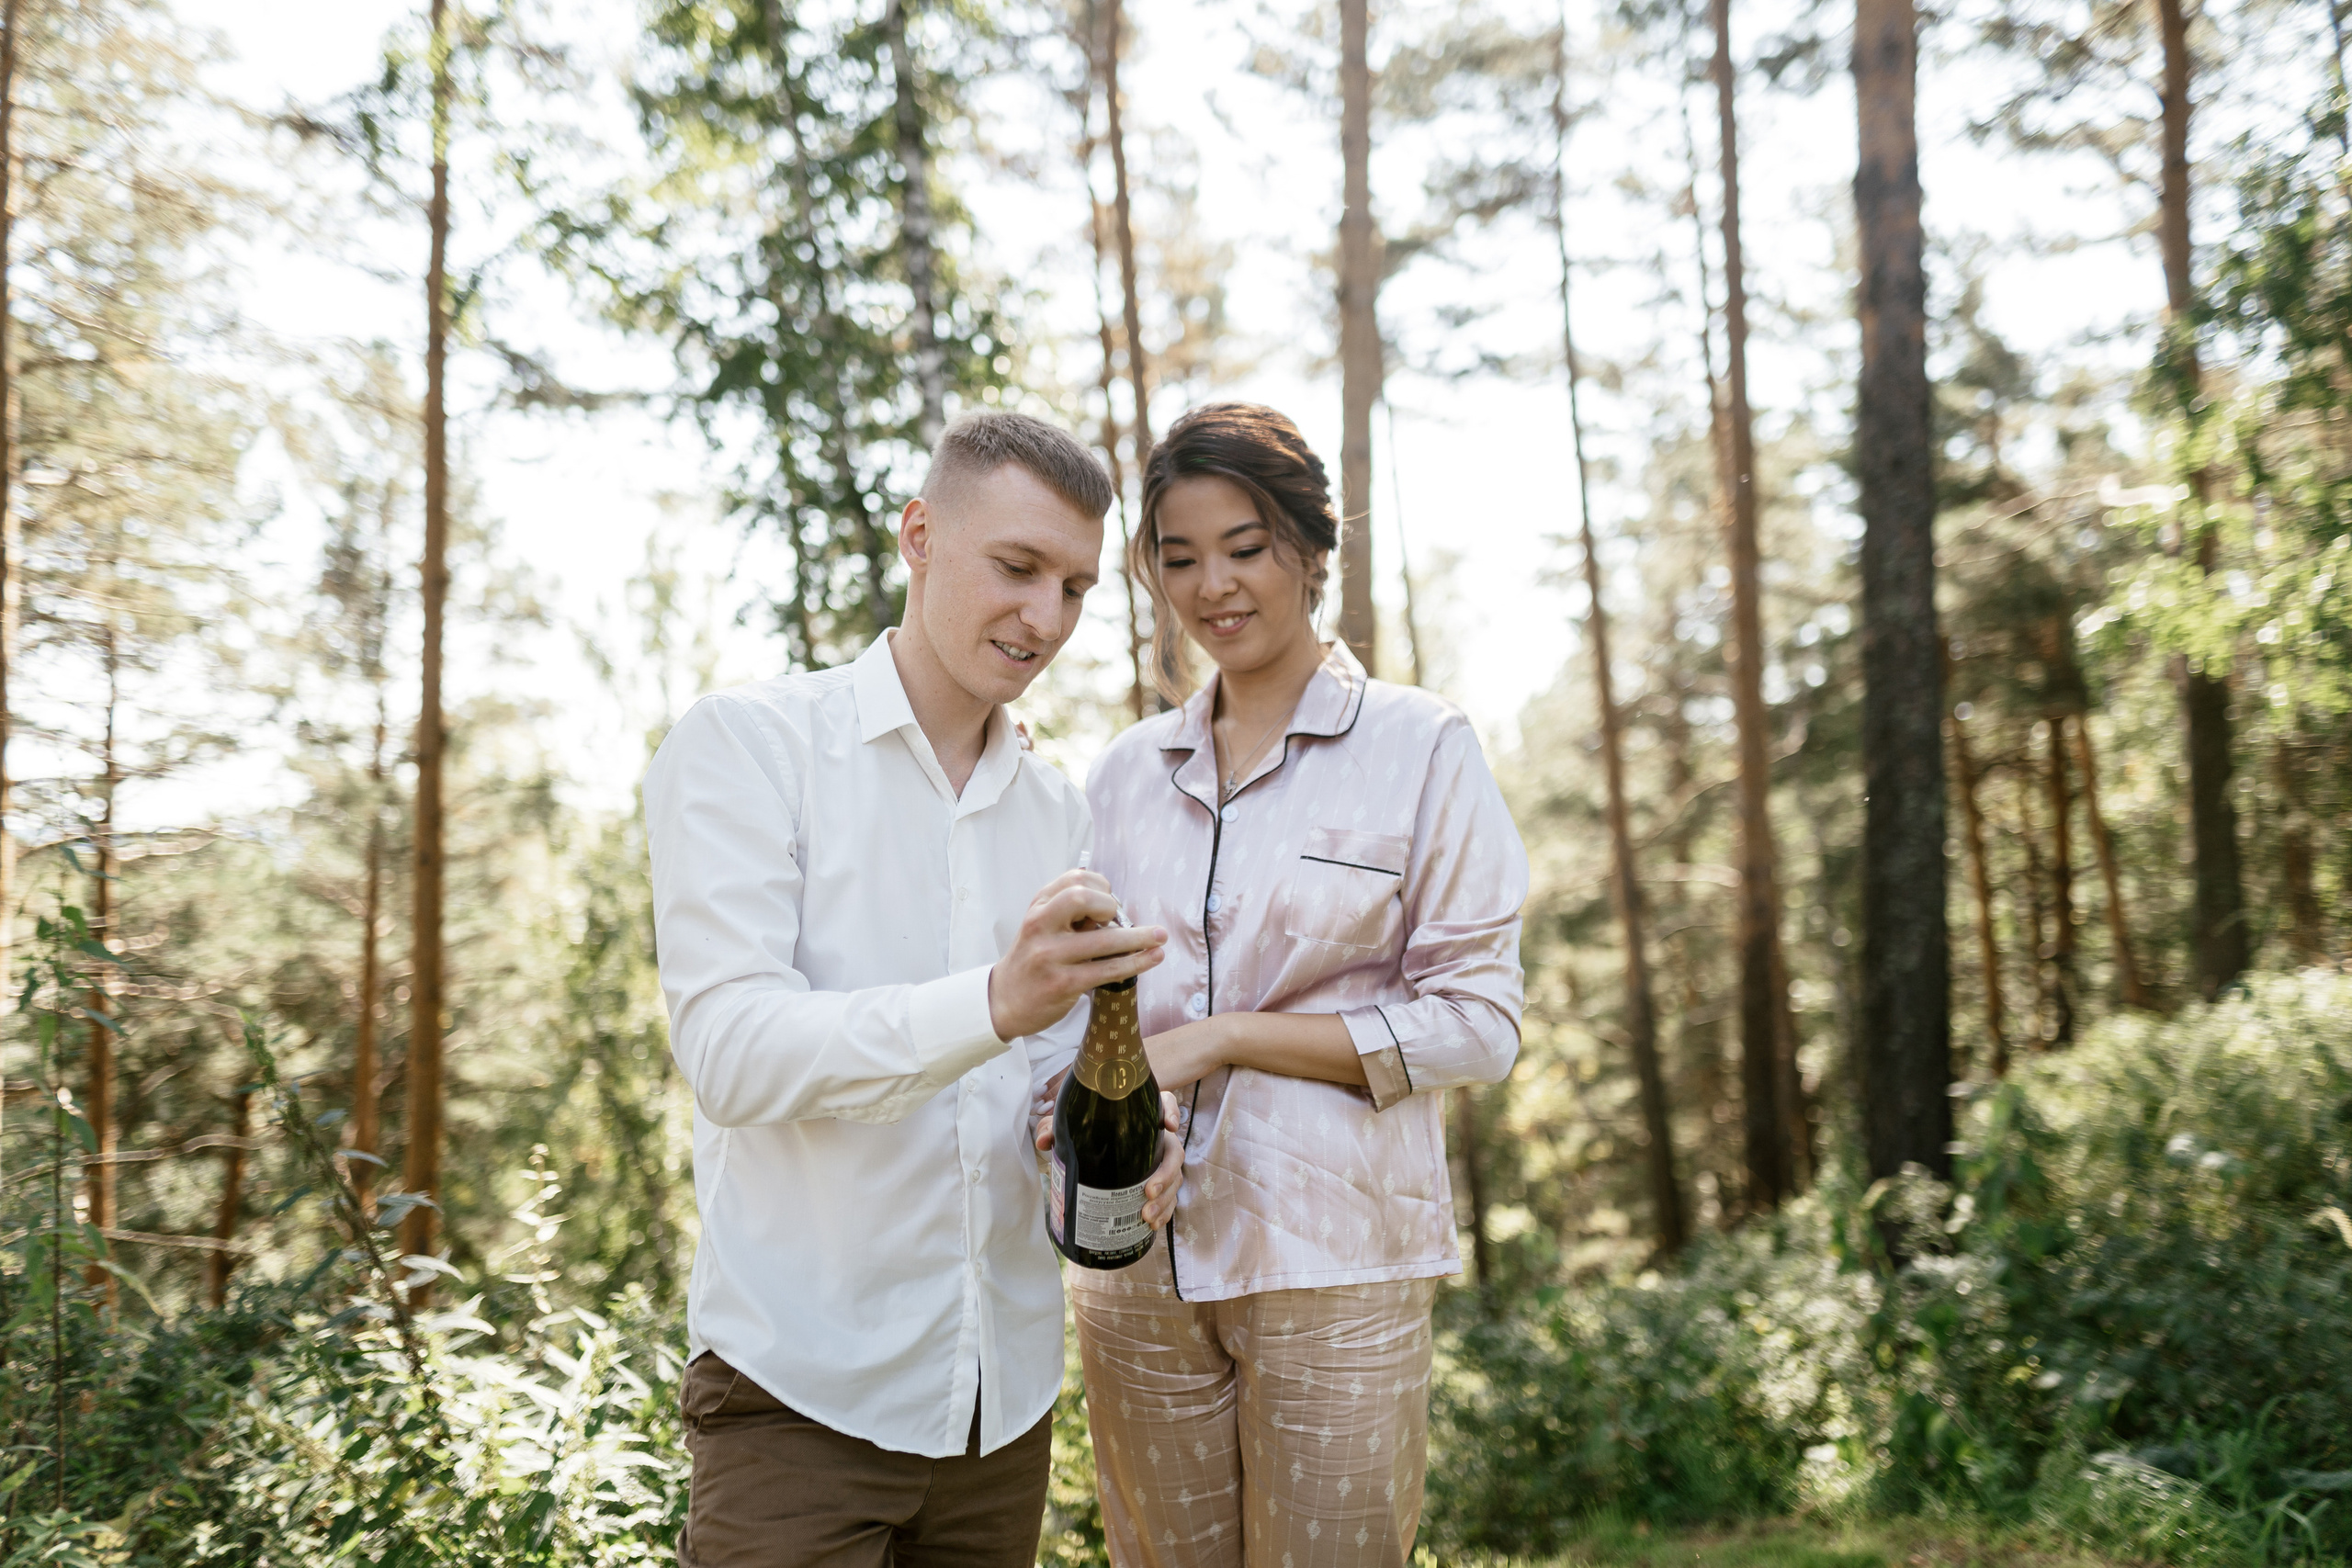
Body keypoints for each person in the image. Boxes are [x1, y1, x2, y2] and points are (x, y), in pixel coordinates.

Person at [642, 411, 1185, 1568]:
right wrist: (992, 999)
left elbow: (1041, 1082)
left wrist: (1109, 1134)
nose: (1046, 618)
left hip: (1002, 1412)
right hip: (799, 1398)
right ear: (921, 535)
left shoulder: (1058, 812)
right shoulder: (747, 748)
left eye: (1078, 587)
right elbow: (732, 1054)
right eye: (1018, 567)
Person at [1063, 402, 1529, 1567]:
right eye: (1178, 557)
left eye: (1245, 546)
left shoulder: (1421, 747)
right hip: (1137, 1276)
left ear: (1314, 551)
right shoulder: (1122, 775)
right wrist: (1123, 1124)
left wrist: (1225, 1037)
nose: (1211, 585)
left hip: (1340, 1262)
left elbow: (1477, 1026)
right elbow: (1086, 1018)